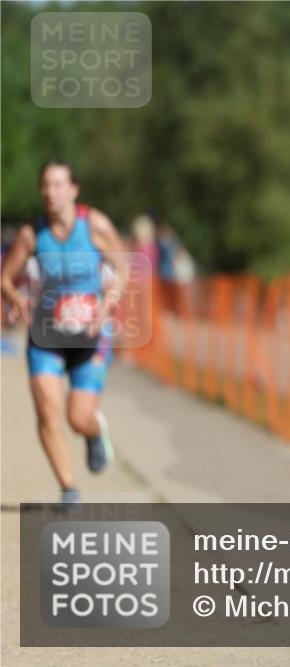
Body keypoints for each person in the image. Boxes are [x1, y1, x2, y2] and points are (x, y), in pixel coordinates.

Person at [0, 161, 130, 508]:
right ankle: (69, 489)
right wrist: (16, 298)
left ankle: (94, 431)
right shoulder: (32, 233)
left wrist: (108, 303)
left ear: (74, 190)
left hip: (90, 332)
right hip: (47, 334)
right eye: (45, 185)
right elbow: (5, 278)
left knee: (77, 418)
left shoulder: (94, 225)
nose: (50, 192)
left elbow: (122, 266)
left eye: (58, 184)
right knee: (47, 411)